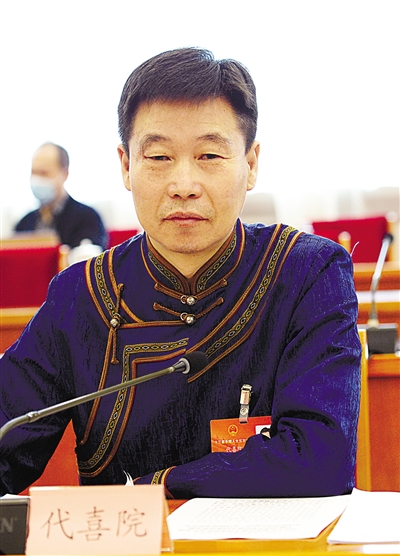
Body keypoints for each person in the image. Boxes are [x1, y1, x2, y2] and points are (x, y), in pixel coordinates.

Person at [0, 48, 361, 498]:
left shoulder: (307, 272)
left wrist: (161, 485)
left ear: (250, 164)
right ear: (126, 166)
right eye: (158, 157)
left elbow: (321, 459)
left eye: (209, 155)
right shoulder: (80, 295)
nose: (184, 185)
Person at [14, 142, 107, 250]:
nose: (37, 179)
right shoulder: (23, 224)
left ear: (65, 174)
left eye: (44, 173)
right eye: (34, 172)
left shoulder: (88, 219)